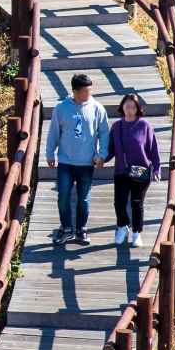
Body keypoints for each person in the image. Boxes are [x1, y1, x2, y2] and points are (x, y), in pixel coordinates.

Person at [43, 73, 110, 245]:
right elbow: (54, 132)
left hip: (86, 163)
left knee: (83, 199)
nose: (88, 94)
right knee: (63, 196)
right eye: (85, 91)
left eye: (90, 90)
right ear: (75, 91)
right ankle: (66, 228)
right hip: (65, 162)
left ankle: (81, 229)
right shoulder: (61, 108)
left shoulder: (97, 108)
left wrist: (102, 154)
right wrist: (50, 153)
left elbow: (104, 133)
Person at [108, 92, 161, 247]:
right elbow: (111, 150)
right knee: (119, 202)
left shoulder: (145, 126)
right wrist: (100, 159)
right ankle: (123, 226)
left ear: (138, 109)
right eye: (127, 106)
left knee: (137, 203)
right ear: (122, 107)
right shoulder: (116, 126)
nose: (130, 110)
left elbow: (153, 149)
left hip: (141, 170)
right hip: (122, 170)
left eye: (133, 107)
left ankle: (136, 232)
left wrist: (157, 169)